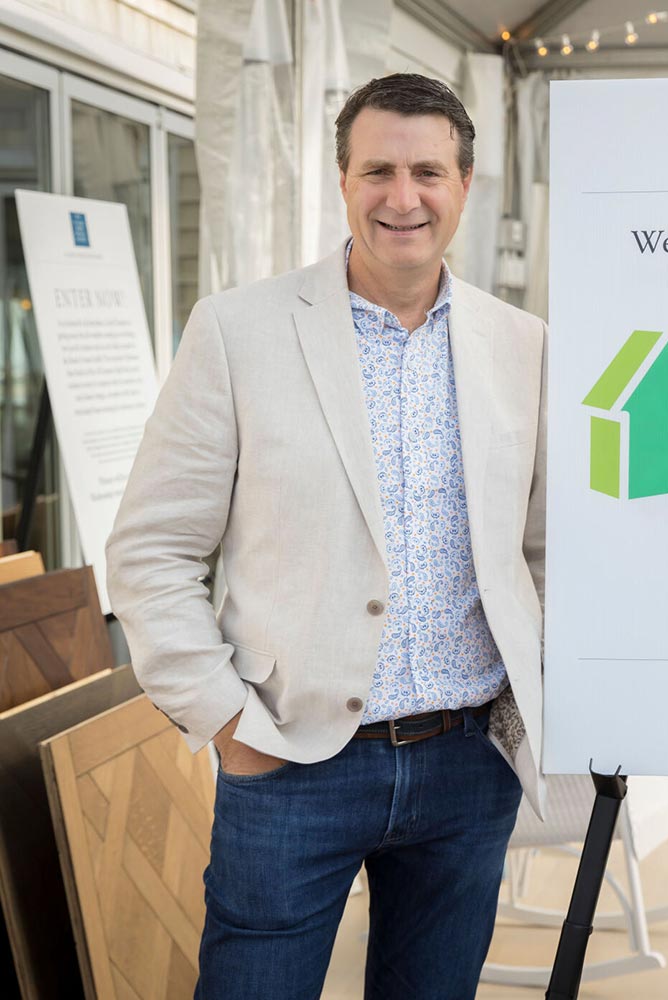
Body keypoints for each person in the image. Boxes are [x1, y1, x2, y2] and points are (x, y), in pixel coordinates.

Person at [106, 73, 546, 999]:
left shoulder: (523, 345)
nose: (403, 197)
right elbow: (150, 550)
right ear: (342, 181)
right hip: (292, 760)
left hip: (468, 765)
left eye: (428, 171)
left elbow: (535, 550)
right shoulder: (238, 330)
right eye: (377, 169)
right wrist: (228, 722)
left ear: (465, 185)